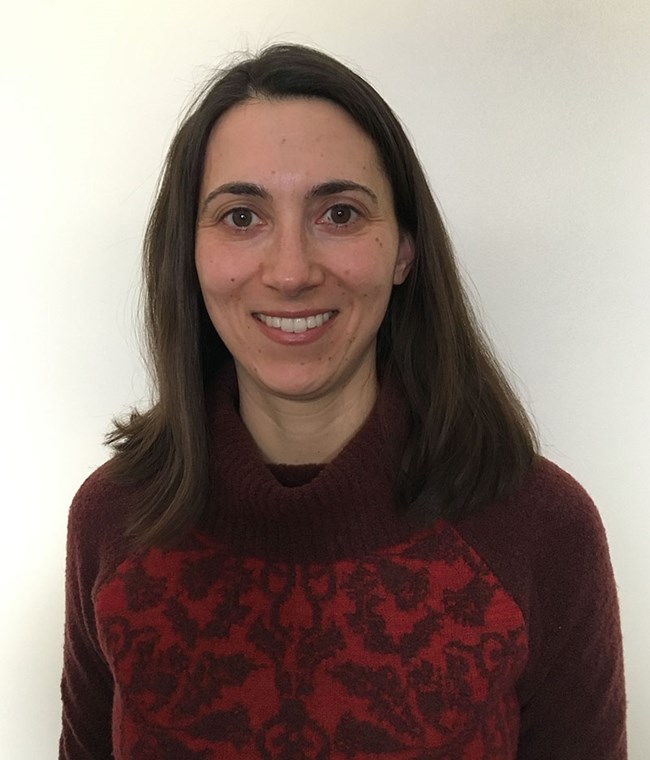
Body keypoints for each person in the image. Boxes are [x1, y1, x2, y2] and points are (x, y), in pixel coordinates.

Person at [59, 44, 626, 759]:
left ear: (404, 250)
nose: (291, 271)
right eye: (241, 217)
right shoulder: (113, 518)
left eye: (339, 213)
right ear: (189, 253)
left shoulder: (544, 530)